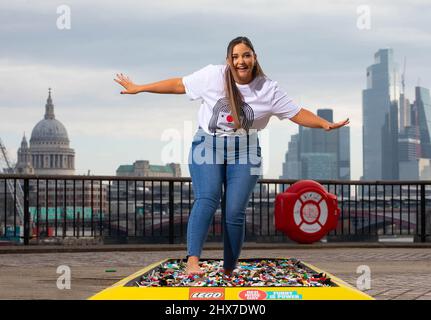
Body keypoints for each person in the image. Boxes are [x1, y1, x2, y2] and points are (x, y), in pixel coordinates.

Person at [114, 36, 349, 276]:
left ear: (254, 58)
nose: (241, 61)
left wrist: (323, 124)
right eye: (235, 57)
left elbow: (297, 113)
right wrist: (139, 87)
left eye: (246, 55)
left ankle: (229, 268)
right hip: (208, 145)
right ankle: (193, 261)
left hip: (245, 150)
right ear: (228, 60)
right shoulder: (213, 76)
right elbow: (178, 85)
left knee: (234, 211)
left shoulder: (267, 89)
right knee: (208, 197)